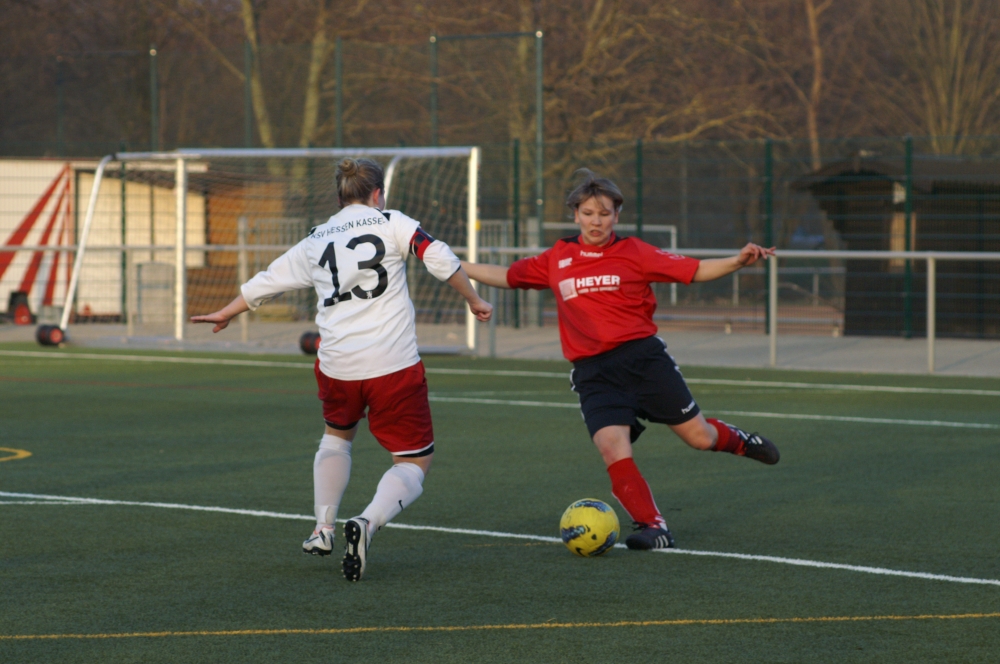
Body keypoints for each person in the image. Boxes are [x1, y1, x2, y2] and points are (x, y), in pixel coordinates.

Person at [192, 157, 492, 580]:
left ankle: (323, 527)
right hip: (392, 364)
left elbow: (268, 280)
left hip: (336, 365)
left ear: (338, 197)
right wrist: (473, 299)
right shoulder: (391, 221)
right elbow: (438, 256)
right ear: (378, 193)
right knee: (412, 461)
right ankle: (366, 523)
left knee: (337, 436)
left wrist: (226, 312)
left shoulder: (316, 237)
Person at [461, 170, 778, 551]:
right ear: (575, 214)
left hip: (643, 361)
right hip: (593, 372)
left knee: (699, 437)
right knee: (613, 446)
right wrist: (450, 265)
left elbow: (694, 270)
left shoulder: (635, 252)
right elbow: (506, 275)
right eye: (589, 213)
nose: (597, 221)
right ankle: (654, 526)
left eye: (605, 213)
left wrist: (738, 260)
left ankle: (739, 441)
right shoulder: (558, 257)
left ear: (617, 216)